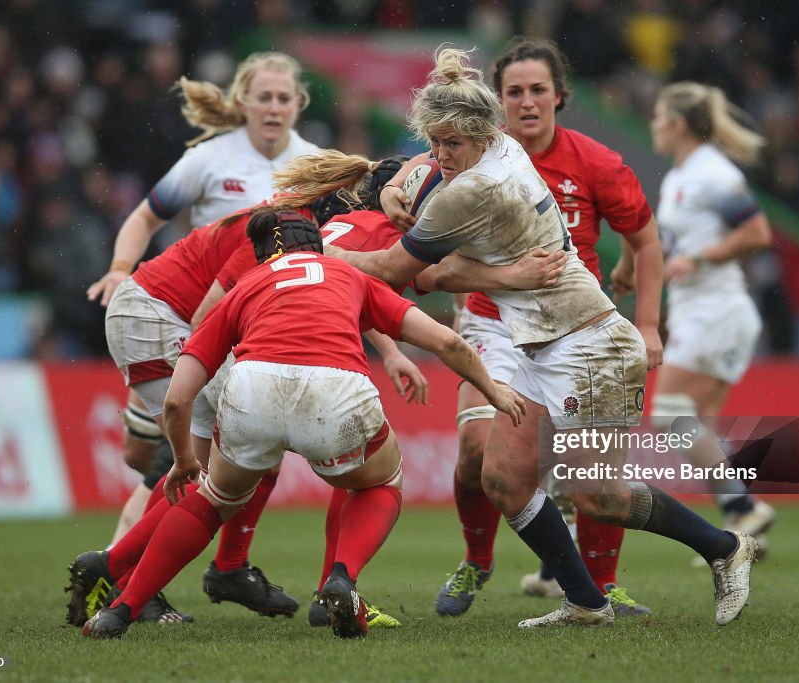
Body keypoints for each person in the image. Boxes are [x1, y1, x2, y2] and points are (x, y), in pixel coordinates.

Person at [281, 47, 760, 628]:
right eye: (434, 143)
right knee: (503, 478)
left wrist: (314, 250)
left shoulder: (470, 192)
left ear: (481, 134)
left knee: (598, 496)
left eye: (450, 145)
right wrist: (400, 187)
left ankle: (725, 548)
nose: (440, 157)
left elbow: (399, 271)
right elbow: (425, 190)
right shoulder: (500, 146)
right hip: (539, 340)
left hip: (592, 346)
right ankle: (587, 603)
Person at [79, 210, 525, 639]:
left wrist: (181, 460)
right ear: (318, 243)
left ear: (261, 254)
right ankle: (342, 578)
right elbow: (445, 339)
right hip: (336, 387)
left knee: (212, 498)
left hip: (254, 386)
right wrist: (492, 389)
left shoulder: (247, 286)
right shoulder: (349, 275)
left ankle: (121, 608)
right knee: (378, 482)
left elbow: (178, 399)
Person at [407, 37, 663, 618]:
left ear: (559, 97)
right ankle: (477, 560)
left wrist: (646, 322)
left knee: (590, 466)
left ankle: (601, 585)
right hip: (490, 321)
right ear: (494, 103)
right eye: (514, 92)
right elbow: (408, 192)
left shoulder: (596, 163)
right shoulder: (461, 156)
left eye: (538, 91)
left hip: (571, 325)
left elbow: (646, 237)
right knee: (476, 451)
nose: (527, 102)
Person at [83, 51, 322, 613]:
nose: (273, 107)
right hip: (186, 322)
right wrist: (120, 268)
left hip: (234, 334)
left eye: (284, 98)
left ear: (299, 105)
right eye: (263, 97)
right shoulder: (211, 159)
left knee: (201, 454)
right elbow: (146, 216)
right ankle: (130, 577)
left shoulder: (311, 165)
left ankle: (131, 579)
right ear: (242, 104)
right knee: (154, 458)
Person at [644, 81, 776, 552]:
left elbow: (758, 232)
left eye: (659, 116)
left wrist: (699, 260)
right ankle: (741, 536)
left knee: (669, 415)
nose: (654, 124)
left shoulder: (712, 174)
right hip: (701, 311)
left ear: (678, 124)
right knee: (699, 426)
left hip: (716, 311)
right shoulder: (680, 175)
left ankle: (743, 508)